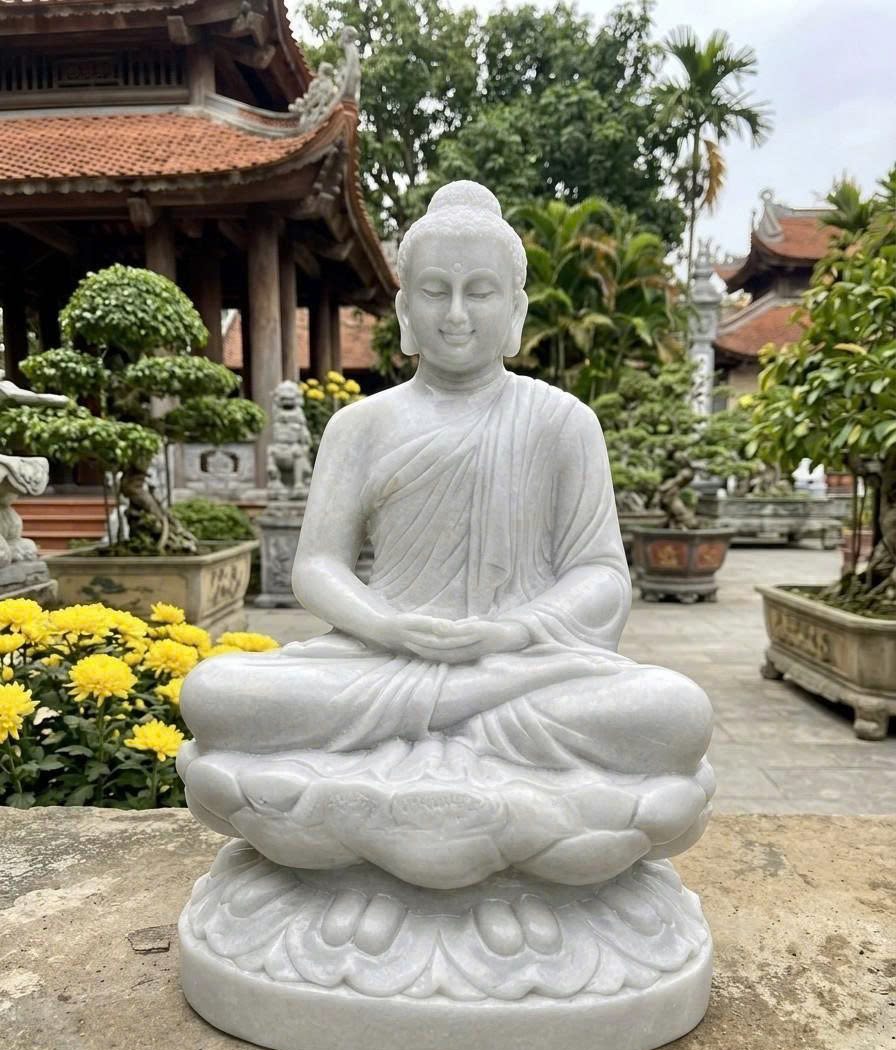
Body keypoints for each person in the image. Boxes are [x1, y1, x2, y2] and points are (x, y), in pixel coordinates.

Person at [179, 181, 713, 881]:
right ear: (405, 311)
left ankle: (433, 729)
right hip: (381, 664)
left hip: (521, 670)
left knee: (676, 712)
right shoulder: (360, 425)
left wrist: (512, 632)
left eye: (480, 291)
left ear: (515, 310)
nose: (456, 314)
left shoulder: (563, 422)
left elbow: (602, 575)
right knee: (215, 693)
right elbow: (318, 567)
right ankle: (455, 727)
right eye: (435, 291)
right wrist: (388, 626)